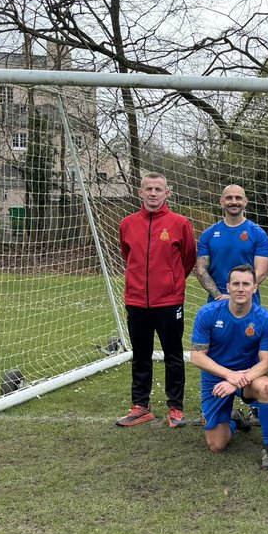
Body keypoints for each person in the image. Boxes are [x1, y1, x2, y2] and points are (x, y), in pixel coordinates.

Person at [116, 172, 197, 429]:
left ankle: (176, 408)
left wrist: (171, 283)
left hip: (169, 302)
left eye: (158, 189)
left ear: (167, 194)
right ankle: (141, 406)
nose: (153, 193)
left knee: (174, 355)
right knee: (141, 355)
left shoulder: (180, 223)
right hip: (137, 301)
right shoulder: (127, 224)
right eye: (148, 189)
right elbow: (126, 254)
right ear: (140, 193)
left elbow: (188, 258)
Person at [189, 264, 268, 470]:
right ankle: (235, 420)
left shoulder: (265, 320)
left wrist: (240, 379)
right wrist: (229, 376)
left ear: (254, 288)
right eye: (236, 284)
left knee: (266, 387)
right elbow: (197, 357)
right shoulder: (208, 313)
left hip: (248, 377)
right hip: (216, 378)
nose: (241, 288)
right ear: (227, 287)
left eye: (246, 284)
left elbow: (267, 362)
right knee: (216, 445)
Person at [195, 184, 268, 304]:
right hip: (217, 301)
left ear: (245, 201)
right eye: (229, 198)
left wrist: (239, 295)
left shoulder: (258, 234)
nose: (234, 202)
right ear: (221, 201)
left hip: (249, 302)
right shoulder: (208, 234)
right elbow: (201, 271)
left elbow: (261, 273)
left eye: (238, 198)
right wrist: (219, 295)